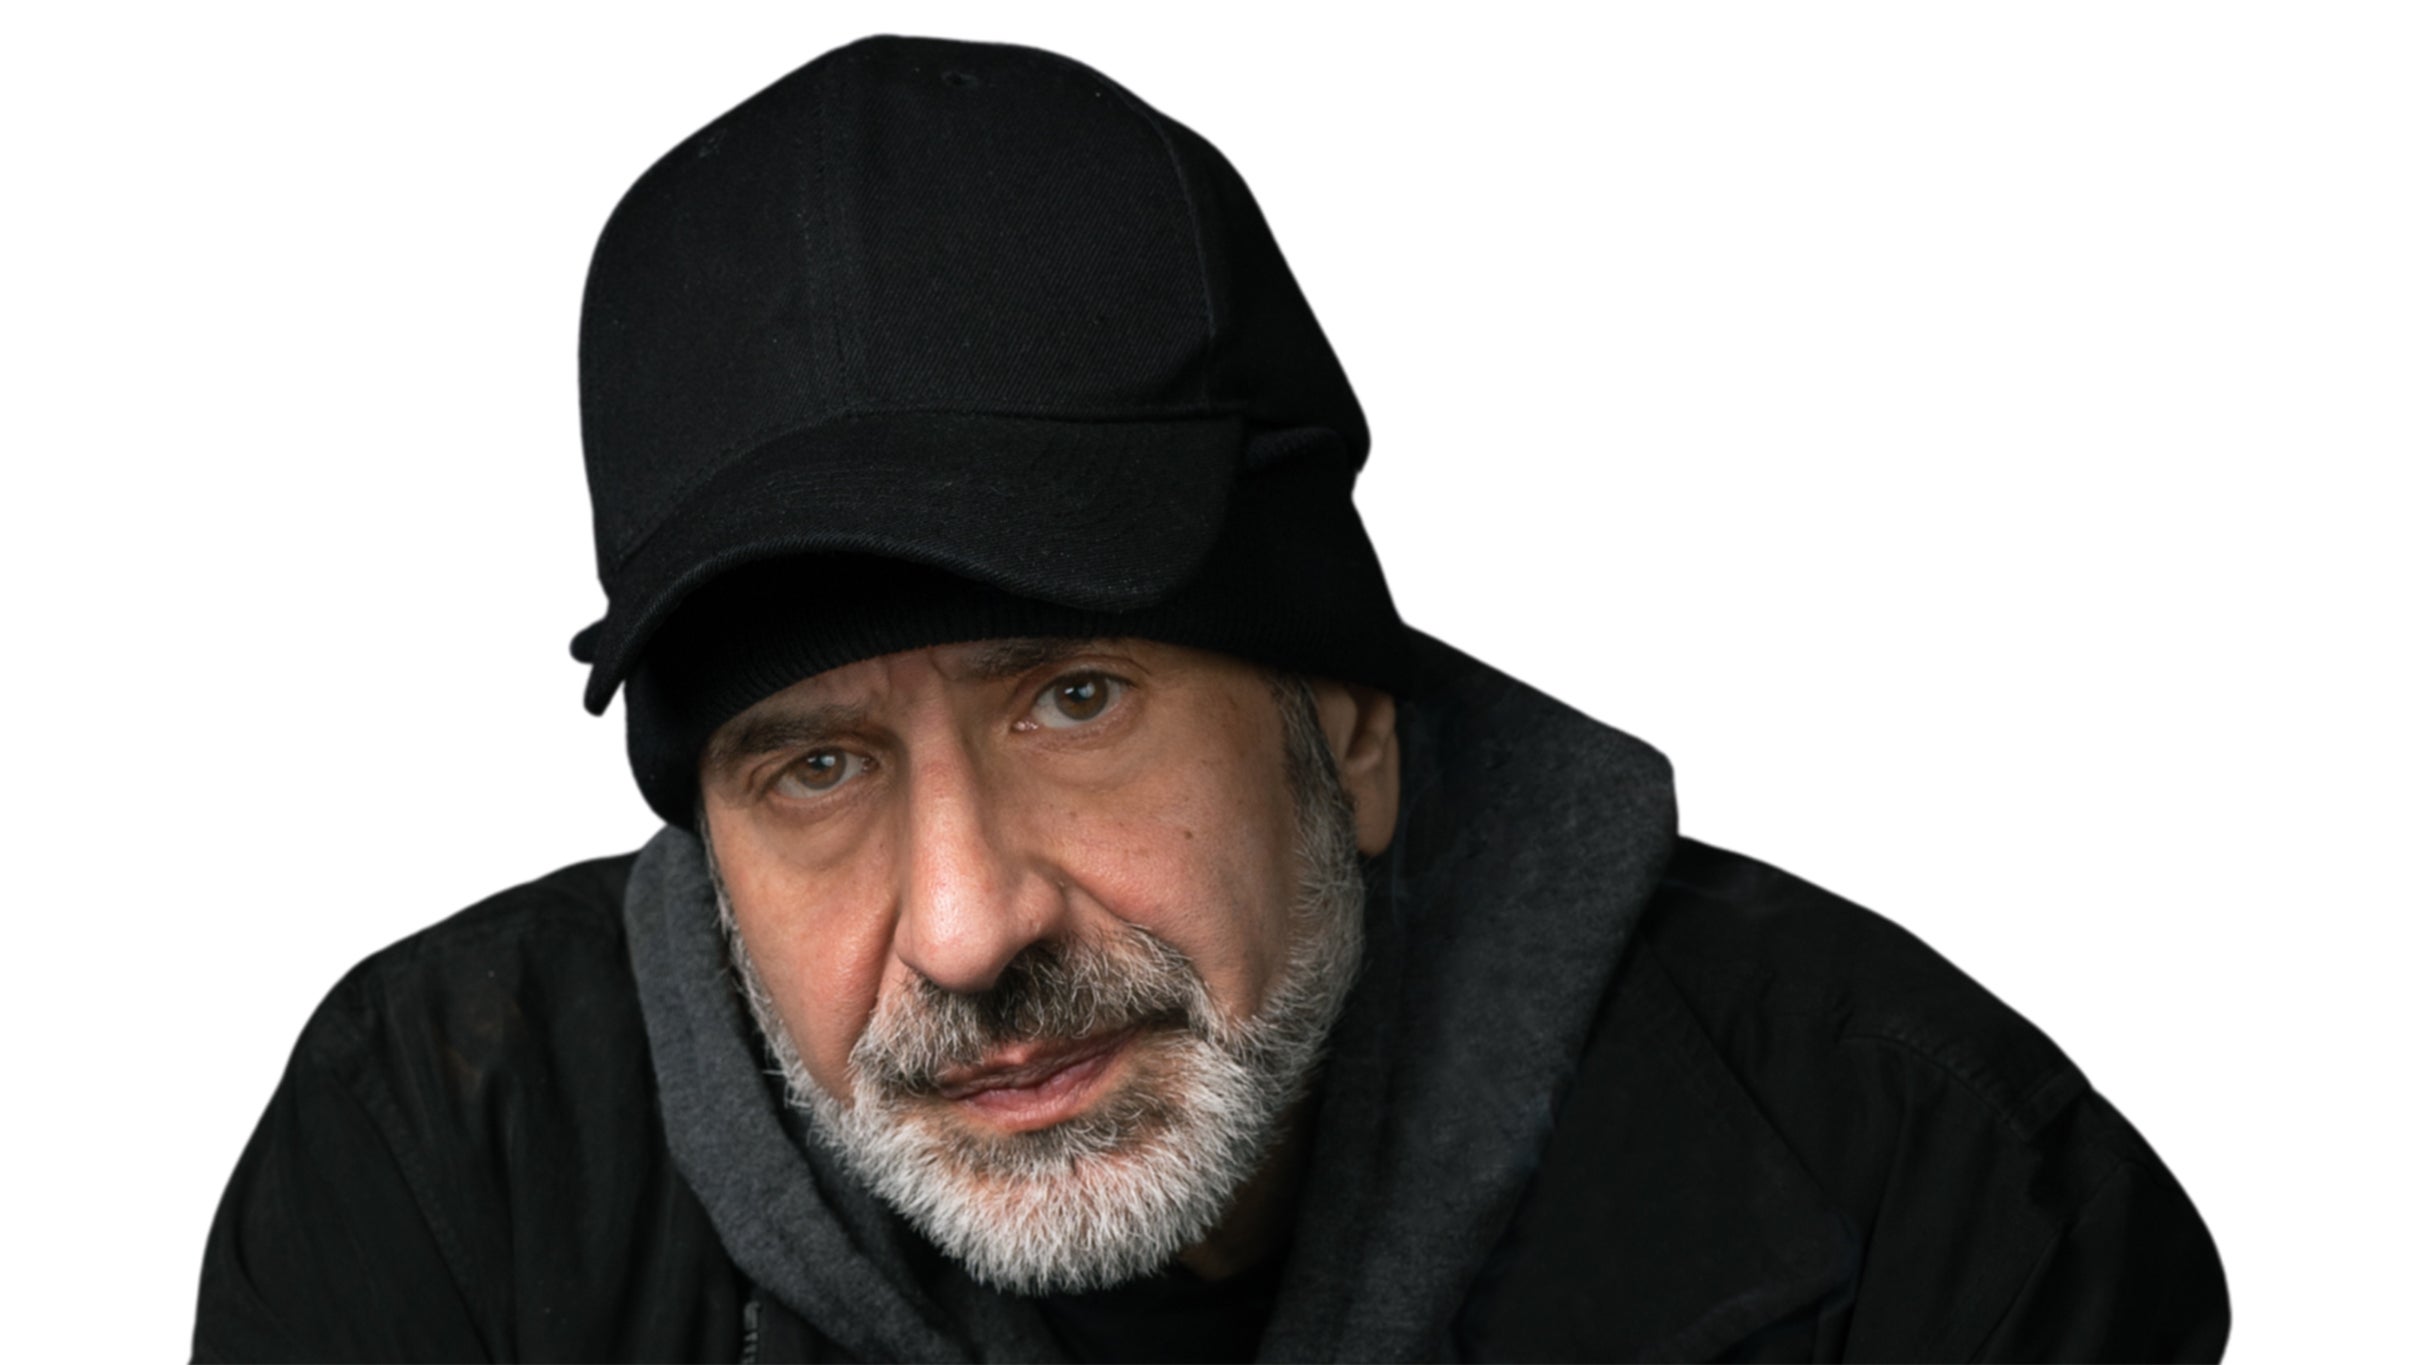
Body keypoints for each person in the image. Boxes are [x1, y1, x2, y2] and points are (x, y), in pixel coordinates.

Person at [192, 35, 2229, 1363]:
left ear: (1349, 727)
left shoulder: (1918, 1186)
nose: (967, 925)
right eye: (811, 764)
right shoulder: (444, 1168)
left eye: (1073, 698)